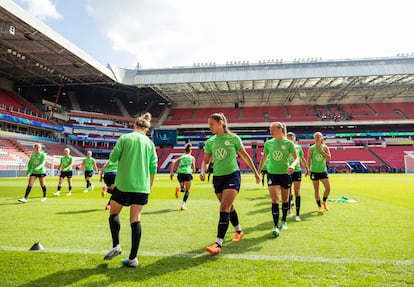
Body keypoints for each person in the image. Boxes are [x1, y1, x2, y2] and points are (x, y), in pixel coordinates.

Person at [200, 112, 260, 255]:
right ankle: (239, 230)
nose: (210, 127)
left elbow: (245, 156)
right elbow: (206, 161)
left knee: (224, 206)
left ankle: (218, 244)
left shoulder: (233, 138)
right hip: (218, 178)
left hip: (232, 175)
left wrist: (256, 172)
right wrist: (203, 170)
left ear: (220, 123)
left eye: (212, 124)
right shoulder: (210, 142)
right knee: (229, 206)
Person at [103, 113, 158, 267]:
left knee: (114, 213)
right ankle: (133, 258)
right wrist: (150, 185)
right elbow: (154, 166)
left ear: (134, 126)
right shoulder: (150, 143)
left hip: (124, 184)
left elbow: (113, 158)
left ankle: (116, 245)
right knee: (135, 218)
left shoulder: (125, 138)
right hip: (142, 186)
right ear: (146, 129)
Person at [258, 122, 298, 237]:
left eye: (273, 130)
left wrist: (293, 165)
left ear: (280, 129)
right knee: (275, 199)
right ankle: (275, 225)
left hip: (285, 174)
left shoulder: (289, 143)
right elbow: (264, 158)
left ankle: (284, 220)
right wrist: (258, 172)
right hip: (272, 174)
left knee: (285, 199)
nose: (271, 132)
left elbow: (296, 158)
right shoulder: (268, 144)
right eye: (270, 130)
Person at [286, 132, 310, 222]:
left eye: (292, 137)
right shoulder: (284, 147)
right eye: (288, 137)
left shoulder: (298, 147)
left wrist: (307, 169)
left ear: (295, 138)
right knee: (288, 191)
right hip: (287, 171)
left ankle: (297, 214)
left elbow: (302, 159)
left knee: (297, 192)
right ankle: (289, 209)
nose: (290, 138)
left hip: (297, 171)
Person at [307, 132, 332, 213]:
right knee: (316, 190)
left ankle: (324, 201)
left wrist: (321, 151)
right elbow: (308, 159)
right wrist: (308, 169)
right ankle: (319, 206)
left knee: (328, 188)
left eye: (319, 137)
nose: (317, 138)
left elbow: (329, 158)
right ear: (314, 138)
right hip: (314, 171)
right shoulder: (312, 148)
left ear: (321, 138)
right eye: (316, 137)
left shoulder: (325, 147)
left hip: (323, 171)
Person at [170, 143, 196, 211]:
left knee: (183, 189)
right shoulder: (192, 158)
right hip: (187, 173)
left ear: (185, 151)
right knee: (187, 191)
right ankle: (183, 205)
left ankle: (179, 189)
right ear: (191, 151)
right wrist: (193, 171)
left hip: (180, 174)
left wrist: (171, 173)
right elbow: (194, 169)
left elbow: (173, 162)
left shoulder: (181, 157)